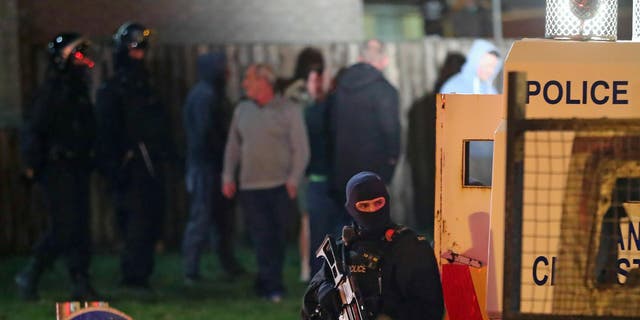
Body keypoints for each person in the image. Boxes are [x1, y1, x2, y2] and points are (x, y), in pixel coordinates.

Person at [16, 32, 99, 301]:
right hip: (56, 167)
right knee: (65, 226)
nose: (82, 59)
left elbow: (87, 128)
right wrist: (31, 164)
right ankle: (31, 273)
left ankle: (80, 280)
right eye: (76, 53)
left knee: (80, 226)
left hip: (77, 165)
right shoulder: (52, 90)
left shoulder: (79, 90)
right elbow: (35, 130)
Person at [301, 171, 444, 320]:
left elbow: (431, 310)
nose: (372, 210)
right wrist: (324, 293)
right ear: (351, 208)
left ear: (387, 202)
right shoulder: (342, 249)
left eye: (378, 203)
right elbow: (308, 308)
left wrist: (383, 309)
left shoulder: (410, 248)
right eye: (364, 206)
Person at [222, 63, 310, 302]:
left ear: (264, 82)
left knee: (277, 237)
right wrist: (228, 176)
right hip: (251, 187)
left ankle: (270, 282)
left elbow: (301, 149)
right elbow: (233, 147)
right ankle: (271, 285)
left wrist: (293, 179)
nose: (244, 84)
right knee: (261, 237)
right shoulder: (241, 110)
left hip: (280, 186)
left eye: (249, 79)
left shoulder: (288, 110)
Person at [95, 22, 171, 291]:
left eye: (142, 50)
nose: (139, 55)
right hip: (129, 169)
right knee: (134, 224)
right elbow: (106, 133)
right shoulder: (114, 89)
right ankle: (133, 276)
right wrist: (117, 166)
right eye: (134, 49)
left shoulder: (146, 85)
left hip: (150, 165)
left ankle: (142, 273)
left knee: (149, 220)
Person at [181, 52, 245, 284]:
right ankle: (190, 270)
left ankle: (227, 263)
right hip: (206, 167)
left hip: (215, 165)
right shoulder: (204, 95)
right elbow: (205, 135)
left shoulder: (214, 94)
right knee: (202, 217)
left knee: (222, 219)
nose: (226, 72)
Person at [329, 39, 400, 205]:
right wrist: (393, 159)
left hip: (342, 166)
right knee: (372, 220)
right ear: (384, 61)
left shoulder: (340, 87)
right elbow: (390, 130)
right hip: (373, 170)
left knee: (345, 220)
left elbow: (332, 126)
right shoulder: (384, 91)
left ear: (360, 58)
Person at [407, 52, 465, 238]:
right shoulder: (462, 108)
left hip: (425, 190)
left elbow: (412, 153)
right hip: (450, 190)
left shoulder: (420, 106)